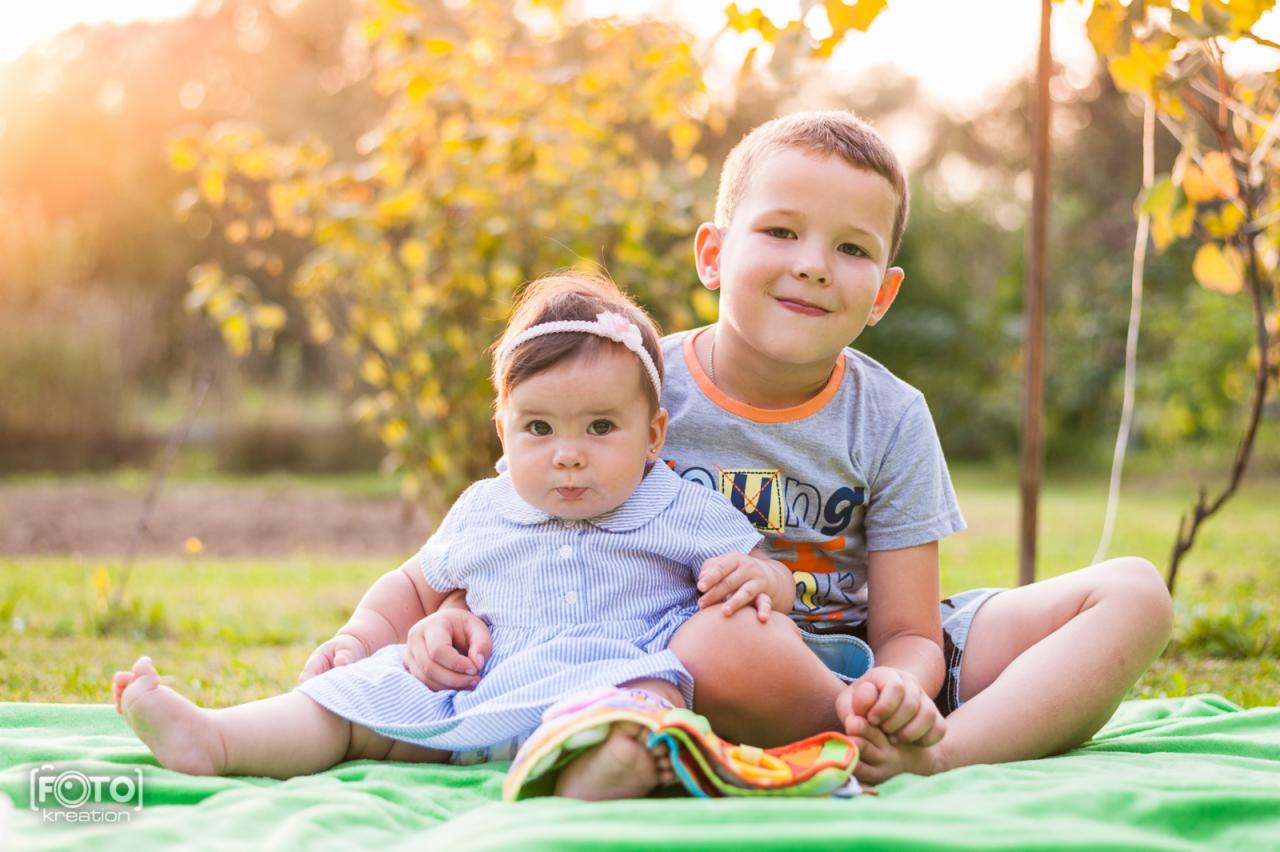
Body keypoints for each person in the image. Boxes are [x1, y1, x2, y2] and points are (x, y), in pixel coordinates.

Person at [405, 111, 1175, 785]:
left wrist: (901, 686)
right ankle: (851, 740)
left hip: (873, 665)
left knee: (1135, 592)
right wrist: (449, 613)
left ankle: (936, 751)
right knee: (720, 635)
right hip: (695, 655)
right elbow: (516, 518)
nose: (812, 262)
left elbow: (907, 629)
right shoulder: (630, 385)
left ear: (882, 294)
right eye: (781, 231)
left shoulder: (891, 415)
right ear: (712, 254)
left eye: (850, 248)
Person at [112, 273, 778, 800]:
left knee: (648, 709)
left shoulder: (676, 506)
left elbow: (759, 565)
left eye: (601, 428)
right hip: (472, 693)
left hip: (604, 684)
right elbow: (411, 584)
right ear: (504, 431)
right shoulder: (486, 509)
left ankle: (590, 781)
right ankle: (219, 739)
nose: (568, 454)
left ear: (653, 435)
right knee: (356, 699)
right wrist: (359, 638)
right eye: (539, 429)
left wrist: (765, 580)